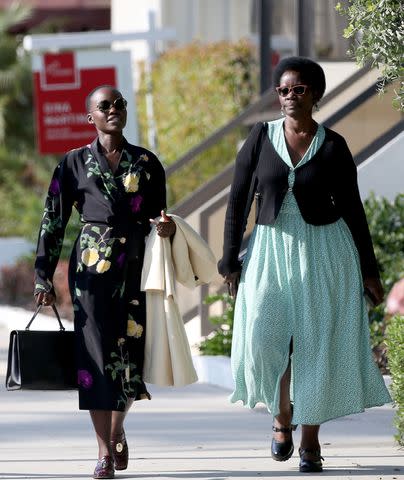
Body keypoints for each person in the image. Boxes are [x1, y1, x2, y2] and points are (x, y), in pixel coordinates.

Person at [218, 57, 391, 473]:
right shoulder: (260, 138)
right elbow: (238, 201)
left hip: (325, 251)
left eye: (298, 89)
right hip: (269, 250)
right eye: (282, 90)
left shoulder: (333, 145)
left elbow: (353, 209)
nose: (289, 96)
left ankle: (310, 437)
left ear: (315, 94)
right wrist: (229, 262)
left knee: (316, 345)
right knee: (264, 335)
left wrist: (369, 269)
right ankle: (281, 418)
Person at [34, 85, 175, 479]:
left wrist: (164, 229)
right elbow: (53, 222)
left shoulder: (147, 162)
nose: (114, 110)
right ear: (89, 116)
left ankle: (116, 430)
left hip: (134, 267)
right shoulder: (72, 163)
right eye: (105, 105)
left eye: (120, 104)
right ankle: (103, 452)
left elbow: (159, 216)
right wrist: (42, 275)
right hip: (90, 272)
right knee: (94, 359)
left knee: (129, 356)